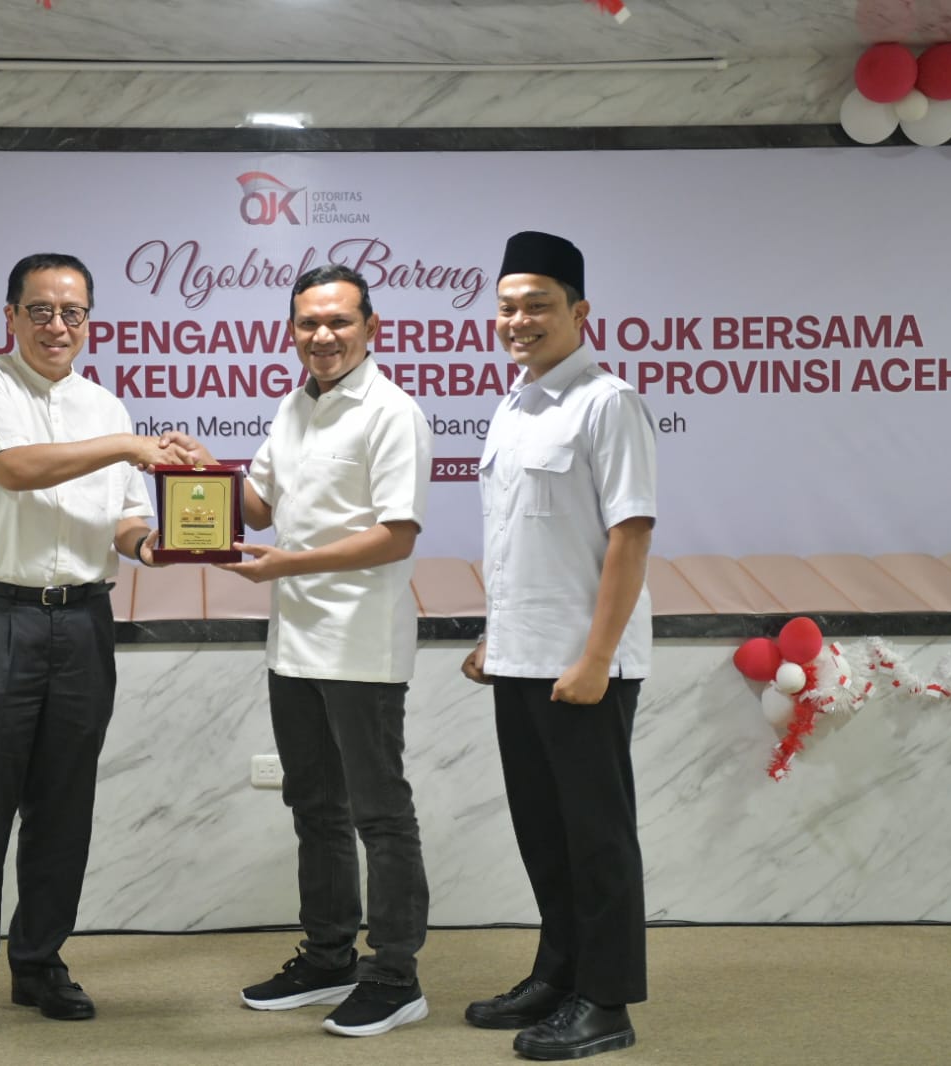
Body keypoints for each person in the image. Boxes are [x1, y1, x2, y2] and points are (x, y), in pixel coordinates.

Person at [0, 252, 197, 1040]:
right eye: (40, 310)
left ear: (89, 321)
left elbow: (125, 522)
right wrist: (129, 446)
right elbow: (15, 470)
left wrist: (161, 546)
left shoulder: (104, 406)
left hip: (82, 622)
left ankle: (39, 961)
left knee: (63, 805)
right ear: (10, 316)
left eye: (72, 312)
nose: (57, 326)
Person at [217, 263, 435, 1038]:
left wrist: (288, 565)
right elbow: (258, 506)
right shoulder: (293, 406)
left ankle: (396, 974)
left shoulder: (393, 412)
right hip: (293, 644)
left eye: (339, 321)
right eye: (308, 322)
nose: (323, 335)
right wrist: (195, 470)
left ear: (370, 327)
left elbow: (395, 535)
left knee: (379, 815)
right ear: (291, 330)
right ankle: (328, 955)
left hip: (360, 645)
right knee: (314, 807)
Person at [460, 231, 657, 1060]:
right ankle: (558, 974)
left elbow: (628, 536)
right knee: (544, 834)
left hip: (583, 665)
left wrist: (595, 660)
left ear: (580, 312)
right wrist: (493, 636)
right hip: (520, 657)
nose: (519, 320)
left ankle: (605, 1003)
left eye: (537, 305)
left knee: (596, 837)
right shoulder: (513, 405)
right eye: (507, 307)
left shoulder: (607, 403)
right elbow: (523, 538)